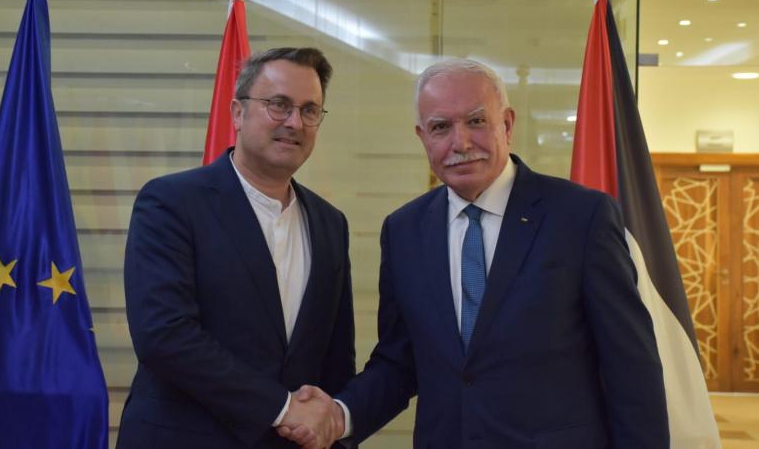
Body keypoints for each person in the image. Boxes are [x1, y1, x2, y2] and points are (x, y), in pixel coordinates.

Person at [281, 58, 669, 448]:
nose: (461, 143)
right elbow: (399, 362)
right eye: (441, 127)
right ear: (422, 136)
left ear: (508, 125)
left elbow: (631, 369)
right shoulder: (403, 231)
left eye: (477, 121)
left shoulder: (581, 217)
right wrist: (339, 415)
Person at [117, 47, 355, 448]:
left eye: (309, 110)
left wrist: (331, 428)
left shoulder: (330, 224)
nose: (294, 122)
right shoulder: (171, 202)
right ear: (238, 113)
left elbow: (335, 358)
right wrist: (282, 408)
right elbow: (164, 334)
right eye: (278, 105)